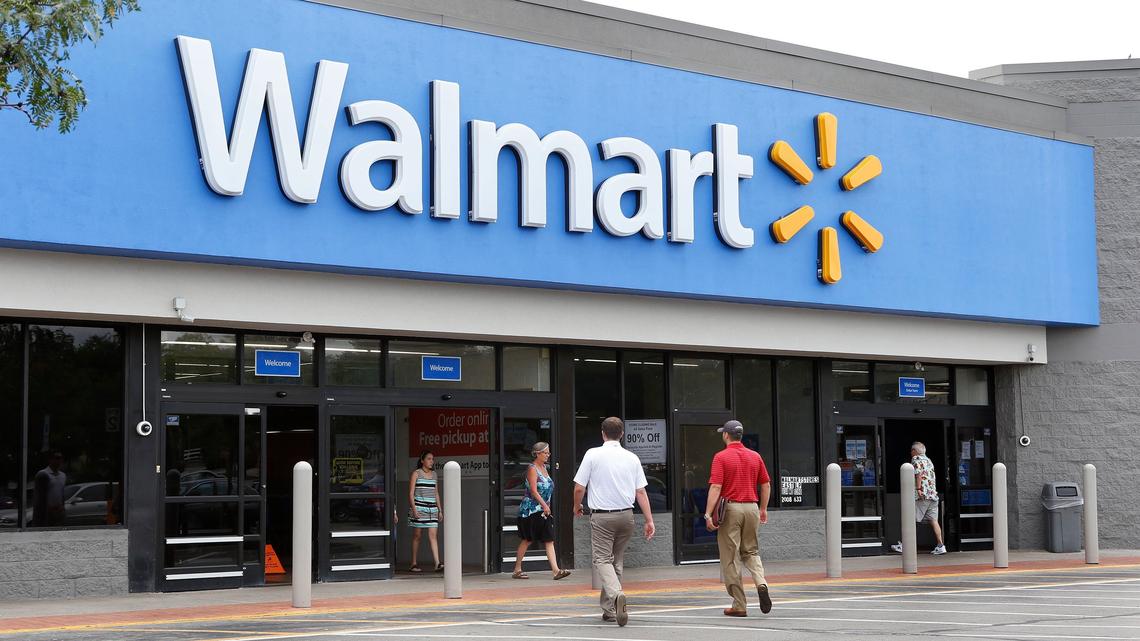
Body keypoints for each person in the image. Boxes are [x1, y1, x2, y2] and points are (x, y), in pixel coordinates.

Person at [572, 417, 655, 627]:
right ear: (622, 434)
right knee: (616, 560)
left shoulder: (592, 454)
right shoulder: (632, 458)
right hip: (626, 516)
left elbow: (579, 487)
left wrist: (577, 506)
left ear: (602, 433)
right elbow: (640, 492)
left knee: (602, 560)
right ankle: (609, 610)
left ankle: (616, 594)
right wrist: (649, 520)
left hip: (602, 517)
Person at [703, 420, 773, 617]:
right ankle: (761, 583)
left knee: (731, 557)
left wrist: (708, 514)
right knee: (751, 551)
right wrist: (763, 509)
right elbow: (766, 484)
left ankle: (739, 604)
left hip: (731, 509)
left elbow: (716, 487)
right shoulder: (755, 456)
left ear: (726, 435)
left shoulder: (721, 457)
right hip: (752, 507)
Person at [511, 442, 571, 580]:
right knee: (528, 539)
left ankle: (556, 571)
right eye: (545, 453)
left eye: (548, 452)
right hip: (531, 510)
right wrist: (545, 505)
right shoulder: (532, 469)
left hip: (544, 510)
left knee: (549, 539)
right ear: (537, 454)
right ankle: (517, 569)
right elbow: (533, 491)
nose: (548, 455)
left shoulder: (544, 468)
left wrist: (546, 506)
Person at [891, 441, 947, 555]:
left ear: (914, 451)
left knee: (910, 519)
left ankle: (904, 545)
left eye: (911, 451)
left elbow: (918, 474)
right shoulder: (929, 460)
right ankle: (941, 545)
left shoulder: (916, 459)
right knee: (934, 520)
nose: (910, 453)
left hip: (923, 495)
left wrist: (918, 489)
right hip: (933, 495)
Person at [408, 450, 444, 572]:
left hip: (432, 509)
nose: (431, 461)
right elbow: (411, 493)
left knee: (433, 536)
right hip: (419, 508)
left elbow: (436, 493)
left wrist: (440, 510)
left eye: (432, 459)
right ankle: (413, 563)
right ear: (422, 460)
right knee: (417, 536)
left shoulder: (434, 475)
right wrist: (414, 509)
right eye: (429, 459)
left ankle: (437, 563)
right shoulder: (416, 473)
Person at [33, 451, 67, 527]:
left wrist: (62, 507)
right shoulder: (43, 474)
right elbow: (39, 495)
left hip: (59, 510)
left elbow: (61, 493)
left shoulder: (63, 475)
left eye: (61, 458)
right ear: (50, 460)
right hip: (46, 512)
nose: (59, 461)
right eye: (57, 458)